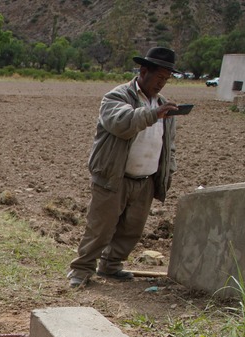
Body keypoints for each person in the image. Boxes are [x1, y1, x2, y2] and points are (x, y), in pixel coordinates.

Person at [68, 47, 180, 288]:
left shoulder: (160, 104)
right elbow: (122, 123)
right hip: (114, 175)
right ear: (143, 71)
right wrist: (154, 114)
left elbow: (168, 144)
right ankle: (82, 270)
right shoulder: (117, 97)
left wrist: (167, 170)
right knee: (100, 227)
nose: (161, 84)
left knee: (132, 229)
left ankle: (111, 265)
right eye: (159, 77)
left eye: (166, 79)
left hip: (145, 180)